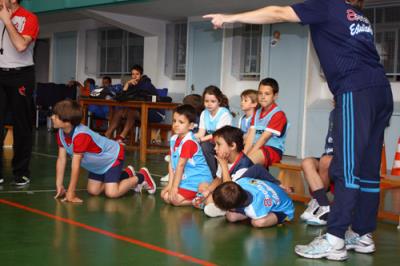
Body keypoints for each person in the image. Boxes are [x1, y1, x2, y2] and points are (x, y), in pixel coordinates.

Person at [204, 0, 393, 260]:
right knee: (368, 172)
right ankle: (361, 235)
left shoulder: (328, 5)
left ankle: (335, 238)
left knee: (346, 169)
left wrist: (231, 18)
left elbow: (278, 12)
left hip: (355, 91)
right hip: (381, 92)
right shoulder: (359, 17)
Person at [52, 99, 156, 203]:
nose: (52, 117)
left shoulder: (80, 135)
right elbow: (61, 159)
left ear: (67, 122)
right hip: (98, 165)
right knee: (93, 191)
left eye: (56, 116)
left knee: (111, 193)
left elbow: (75, 165)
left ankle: (142, 176)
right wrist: (59, 185)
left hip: (112, 157)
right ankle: (126, 174)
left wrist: (71, 192)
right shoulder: (61, 133)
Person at [0, 0, 39, 186]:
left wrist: (7, 21)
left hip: (21, 75)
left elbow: (21, 46)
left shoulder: (29, 18)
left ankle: (21, 171)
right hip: (0, 73)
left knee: (22, 124)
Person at [194, 126, 254, 217]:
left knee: (212, 199)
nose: (215, 148)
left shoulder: (244, 166)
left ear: (233, 146)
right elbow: (218, 179)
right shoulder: (225, 159)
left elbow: (231, 192)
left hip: (240, 198)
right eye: (215, 145)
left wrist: (224, 166)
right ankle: (217, 206)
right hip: (228, 194)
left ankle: (223, 209)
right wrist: (206, 192)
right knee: (203, 186)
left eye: (219, 144)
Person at [161, 104, 213, 206]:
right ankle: (198, 199)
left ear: (191, 126)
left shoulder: (189, 142)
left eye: (181, 122)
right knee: (165, 196)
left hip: (198, 180)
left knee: (174, 200)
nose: (176, 124)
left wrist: (174, 188)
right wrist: (170, 185)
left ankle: (200, 200)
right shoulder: (173, 139)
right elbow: (171, 165)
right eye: (174, 121)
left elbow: (180, 165)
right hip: (185, 180)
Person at [104, 65, 164, 143]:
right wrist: (127, 84)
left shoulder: (146, 84)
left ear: (141, 75)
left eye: (137, 74)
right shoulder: (132, 84)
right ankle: (107, 135)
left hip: (154, 112)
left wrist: (128, 95)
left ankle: (121, 137)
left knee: (131, 112)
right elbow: (120, 98)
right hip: (139, 111)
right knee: (119, 112)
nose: (135, 76)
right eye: (133, 74)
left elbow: (138, 97)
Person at [212, 171, 294, 228]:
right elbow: (257, 168)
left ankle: (283, 217)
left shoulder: (254, 210)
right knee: (231, 217)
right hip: (274, 191)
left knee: (257, 223)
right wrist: (277, 183)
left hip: (283, 210)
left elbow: (254, 212)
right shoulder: (240, 181)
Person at [300, 108, 335, 226]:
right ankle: (321, 203)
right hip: (329, 156)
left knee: (325, 160)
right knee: (307, 162)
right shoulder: (333, 113)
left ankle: (323, 207)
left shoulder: (353, 113)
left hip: (344, 159)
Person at [243, 78, 288, 168]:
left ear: (275, 96)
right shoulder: (256, 112)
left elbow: (264, 139)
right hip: (256, 147)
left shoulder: (278, 114)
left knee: (245, 163)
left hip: (271, 149)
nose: (263, 97)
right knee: (237, 159)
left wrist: (247, 158)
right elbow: (250, 138)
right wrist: (243, 155)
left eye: (267, 94)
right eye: (260, 93)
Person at [194, 86, 233, 177]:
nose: (209, 104)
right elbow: (201, 133)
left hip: (225, 142)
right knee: (193, 144)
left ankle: (214, 176)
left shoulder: (224, 113)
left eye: (213, 101)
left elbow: (217, 134)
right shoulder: (204, 113)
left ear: (219, 101)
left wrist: (201, 140)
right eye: (206, 101)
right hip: (213, 142)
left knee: (205, 146)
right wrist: (189, 137)